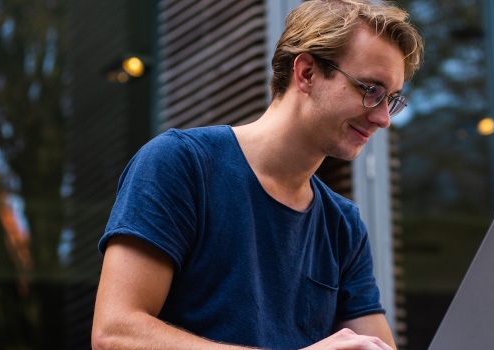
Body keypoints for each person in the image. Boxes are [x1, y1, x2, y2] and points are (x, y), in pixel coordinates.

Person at [91, 0, 423, 349]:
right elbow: (115, 332)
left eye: (393, 100)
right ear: (306, 73)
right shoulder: (181, 164)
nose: (384, 118)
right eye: (371, 90)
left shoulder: (343, 226)